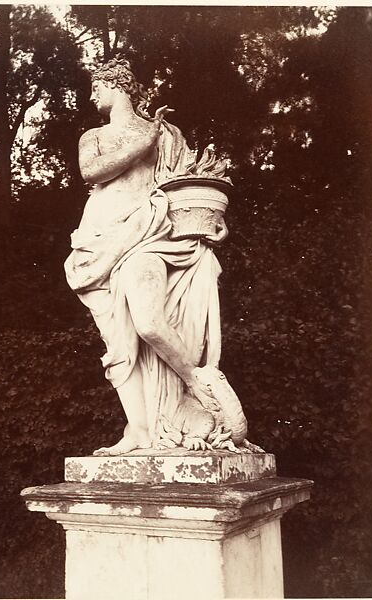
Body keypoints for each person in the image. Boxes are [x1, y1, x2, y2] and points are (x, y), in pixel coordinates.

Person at [64, 57, 229, 456]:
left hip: (152, 233)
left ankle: (196, 382)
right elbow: (92, 172)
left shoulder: (166, 133)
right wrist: (146, 138)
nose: (91, 95)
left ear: (117, 84)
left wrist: (213, 223)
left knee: (150, 322)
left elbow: (189, 185)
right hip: (100, 238)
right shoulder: (96, 136)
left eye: (96, 86)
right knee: (119, 345)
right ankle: (138, 431)